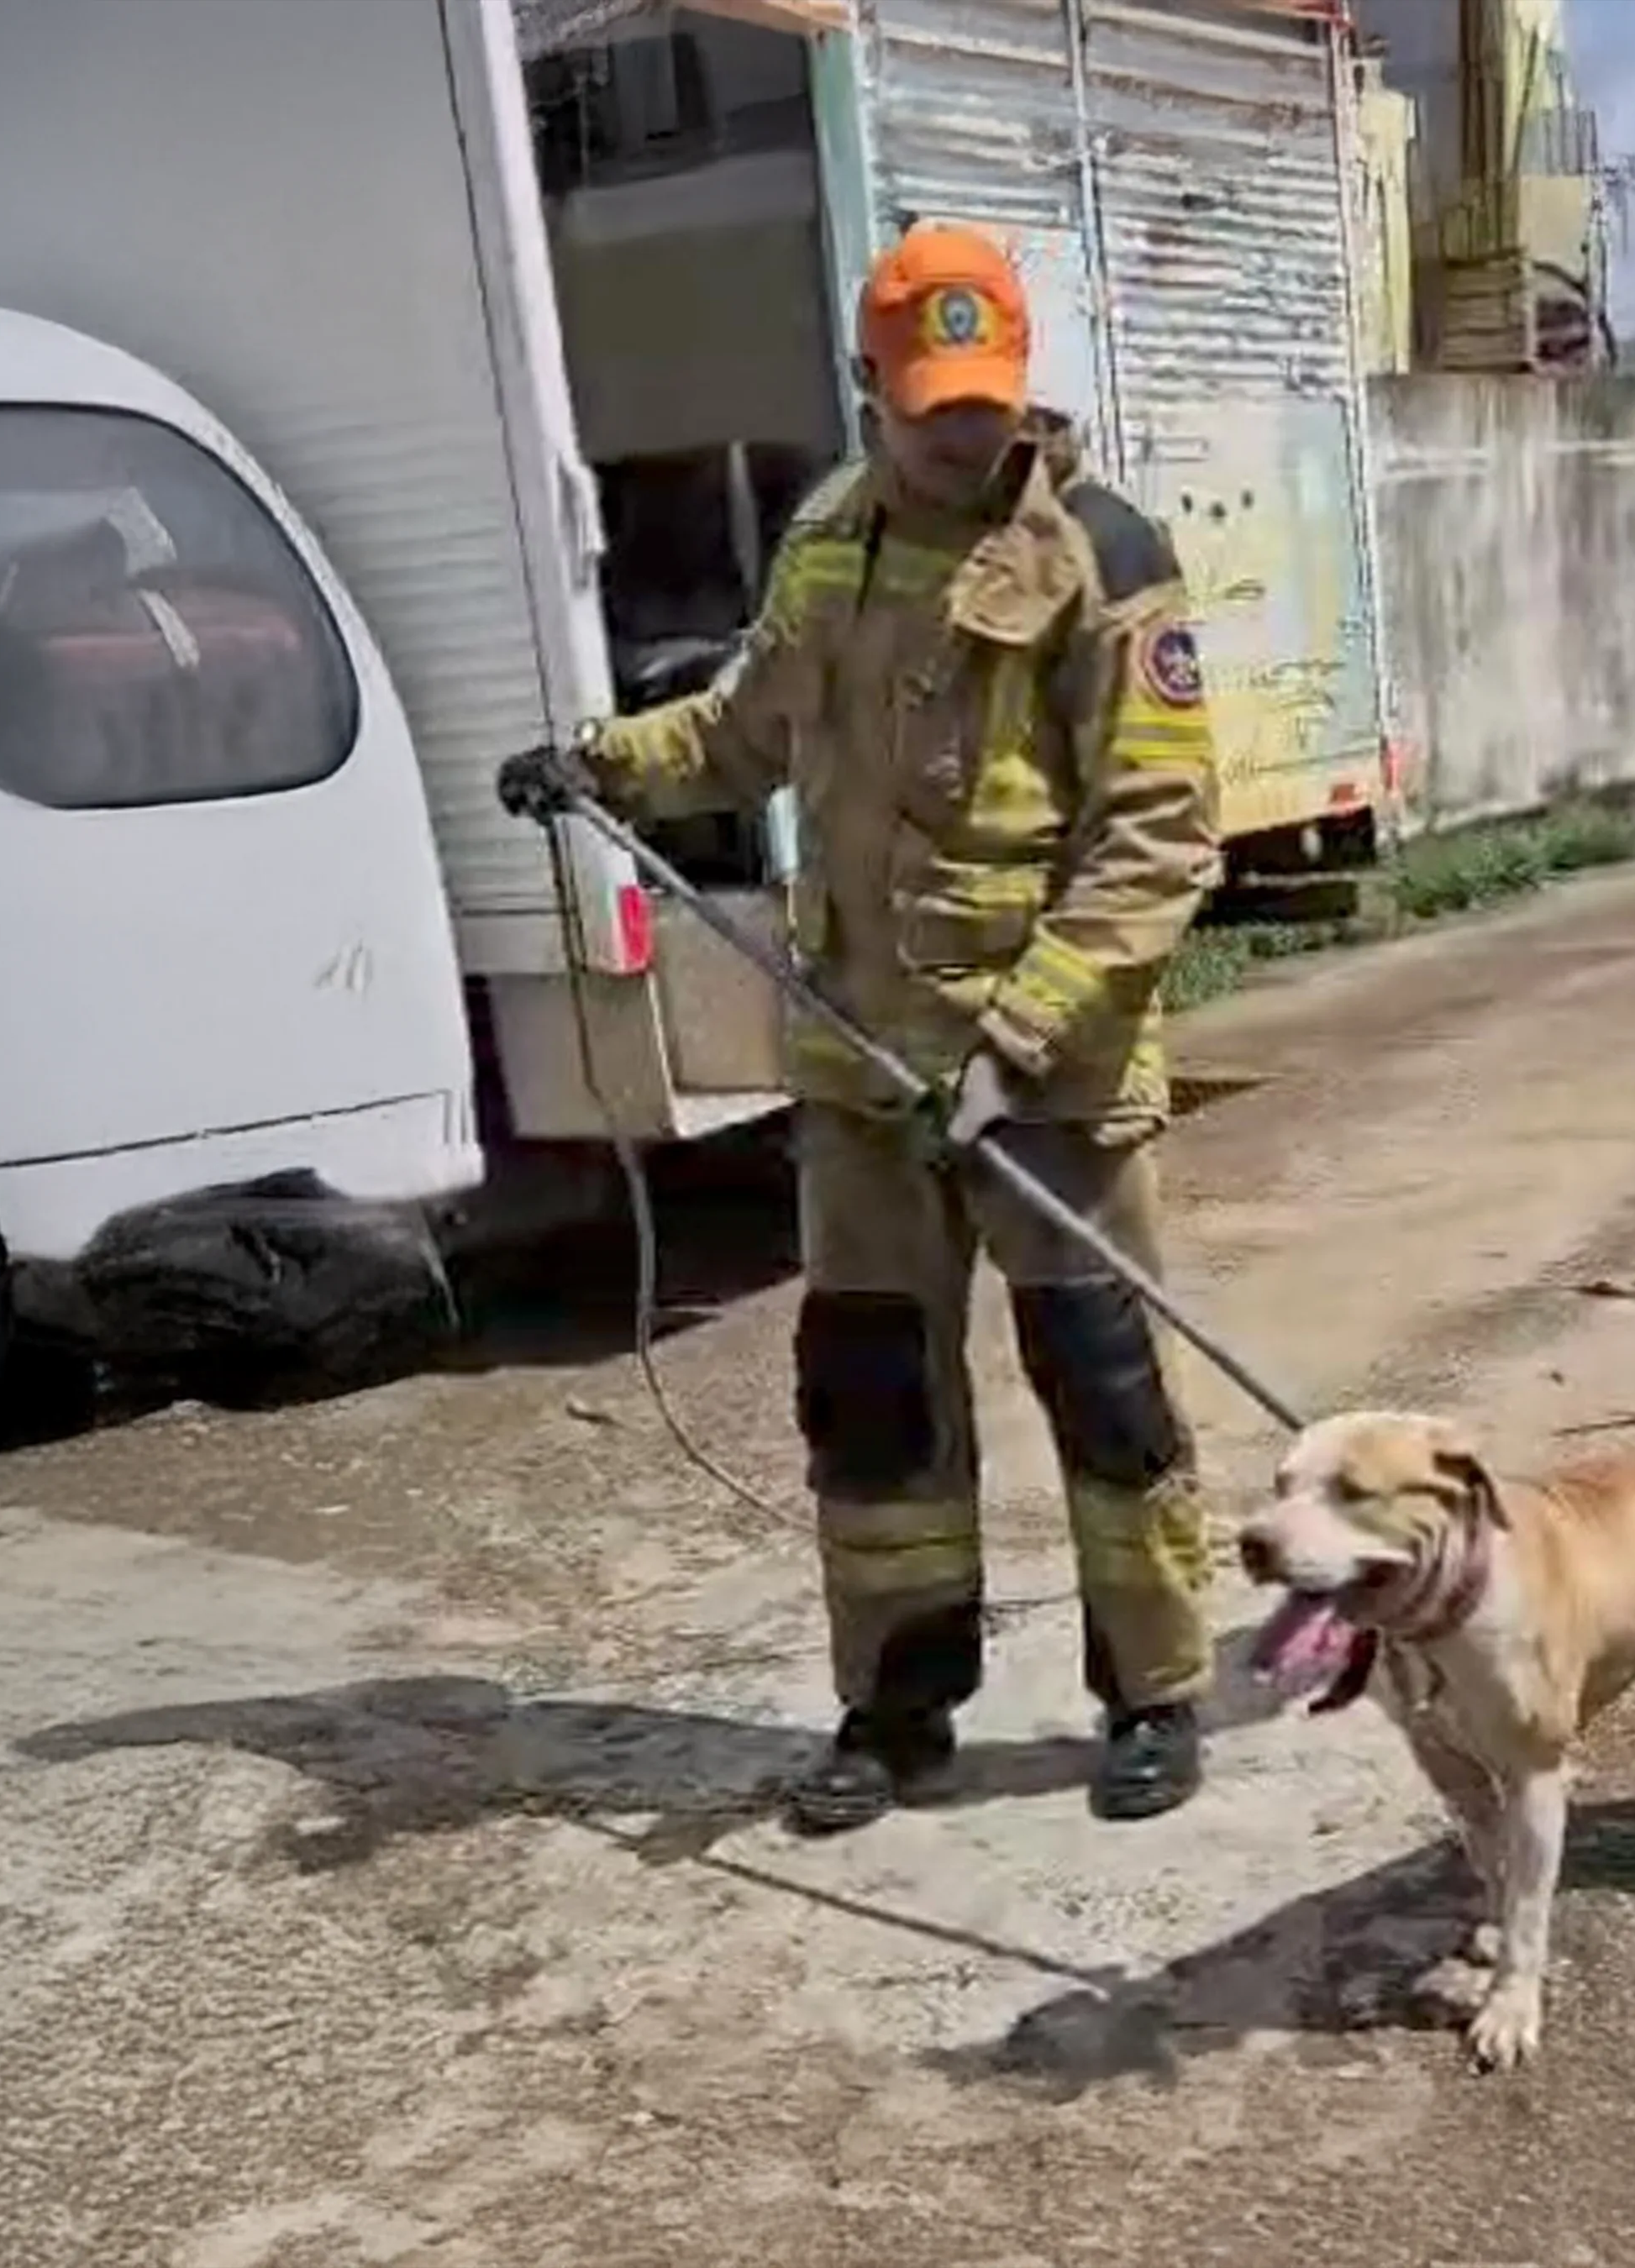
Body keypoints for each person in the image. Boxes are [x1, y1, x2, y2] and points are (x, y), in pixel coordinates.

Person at [498, 224, 1224, 1833]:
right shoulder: (829, 537)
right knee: (876, 1389)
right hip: (861, 1064)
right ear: (867, 392)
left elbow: (1161, 832)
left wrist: (1023, 1039)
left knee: (1102, 1380)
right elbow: (748, 726)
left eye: (986, 399)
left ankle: (1155, 1697)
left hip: (1051, 1078)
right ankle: (895, 1709)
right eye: (928, 403)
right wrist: (605, 765)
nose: (963, 431)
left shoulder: (1103, 554)